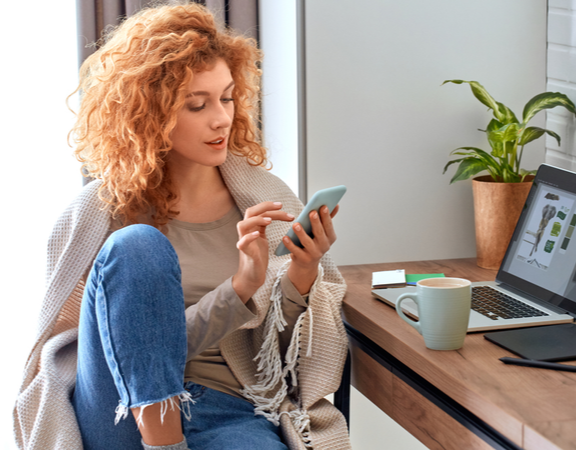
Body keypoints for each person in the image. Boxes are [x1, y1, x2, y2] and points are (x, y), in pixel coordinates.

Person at [13, 3, 350, 450]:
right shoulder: (98, 213)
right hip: (118, 412)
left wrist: (301, 274)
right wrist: (239, 289)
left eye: (227, 97)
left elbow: (282, 364)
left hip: (229, 408)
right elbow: (135, 351)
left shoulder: (266, 198)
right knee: (137, 246)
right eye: (197, 104)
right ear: (148, 113)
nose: (221, 118)